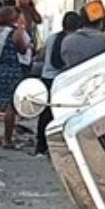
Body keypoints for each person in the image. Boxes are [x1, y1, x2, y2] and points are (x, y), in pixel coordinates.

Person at [0, 6, 30, 148]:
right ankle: (7, 139)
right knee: (11, 105)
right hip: (11, 70)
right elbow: (22, 49)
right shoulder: (15, 32)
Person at [35, 12, 75, 156]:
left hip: (47, 77)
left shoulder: (52, 38)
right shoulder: (72, 40)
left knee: (45, 113)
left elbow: (41, 55)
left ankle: (40, 145)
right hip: (62, 80)